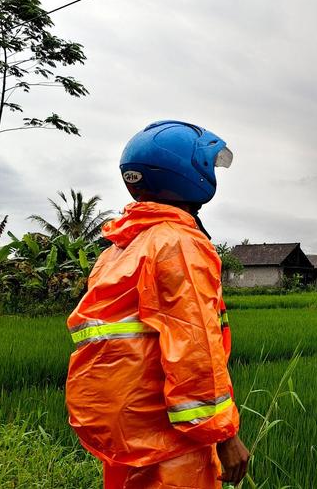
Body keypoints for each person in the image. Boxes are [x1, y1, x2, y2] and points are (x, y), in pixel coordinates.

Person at [65, 120, 250, 488]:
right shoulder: (177, 244)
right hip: (167, 439)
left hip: (126, 429)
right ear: (189, 173)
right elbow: (194, 348)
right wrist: (224, 437)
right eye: (210, 166)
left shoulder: (121, 248)